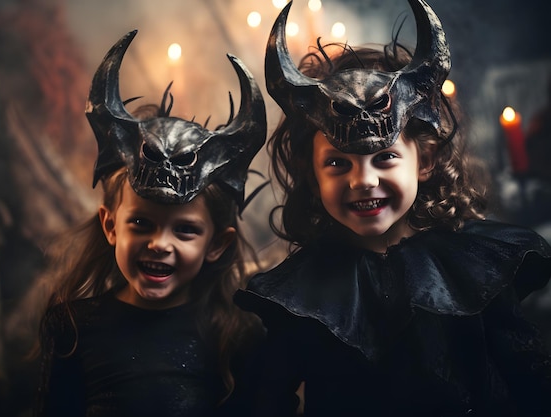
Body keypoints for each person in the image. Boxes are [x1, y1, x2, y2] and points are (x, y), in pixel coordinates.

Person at [234, 1, 551, 416]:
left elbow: (532, 385)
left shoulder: (472, 270)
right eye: (337, 163)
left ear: (426, 160)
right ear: (312, 176)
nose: (363, 179)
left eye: (384, 157)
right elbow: (264, 400)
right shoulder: (302, 293)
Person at [34, 30, 266, 417]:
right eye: (141, 223)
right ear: (110, 226)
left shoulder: (235, 333)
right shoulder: (71, 327)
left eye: (185, 230)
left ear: (216, 244)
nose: (160, 243)